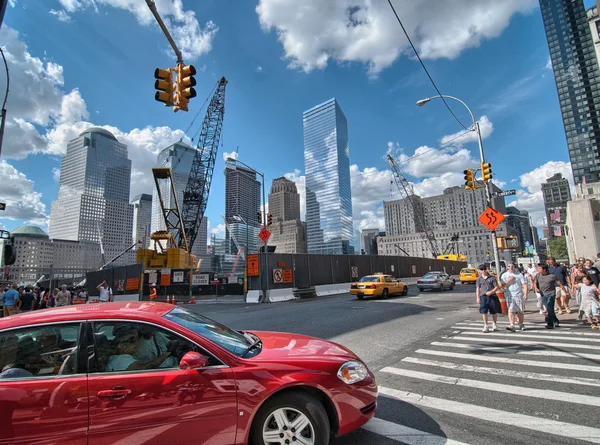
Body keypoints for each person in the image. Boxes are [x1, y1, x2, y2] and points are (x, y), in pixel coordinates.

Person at [106, 324, 171, 372]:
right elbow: (145, 367)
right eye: (132, 340)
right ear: (120, 345)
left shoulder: (121, 357)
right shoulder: (120, 359)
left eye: (137, 339)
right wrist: (165, 356)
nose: (137, 343)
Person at [535, 264, 569, 329]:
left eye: (539, 268)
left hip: (551, 294)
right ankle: (555, 321)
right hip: (543, 294)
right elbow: (535, 282)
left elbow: (560, 284)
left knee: (550, 308)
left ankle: (550, 324)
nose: (538, 270)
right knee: (549, 309)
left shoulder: (552, 276)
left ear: (544, 270)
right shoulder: (538, 275)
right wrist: (536, 287)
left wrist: (565, 292)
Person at [501, 263, 528, 331]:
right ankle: (512, 324)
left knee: (520, 310)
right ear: (507, 267)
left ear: (514, 267)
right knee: (511, 310)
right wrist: (509, 280)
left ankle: (521, 324)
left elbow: (524, 284)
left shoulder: (519, 274)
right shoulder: (504, 275)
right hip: (510, 295)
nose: (511, 267)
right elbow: (502, 286)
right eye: (509, 266)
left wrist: (525, 294)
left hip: (519, 294)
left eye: (512, 266)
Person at [476, 264, 501, 333]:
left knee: (494, 311)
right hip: (483, 296)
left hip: (492, 296)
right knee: (484, 311)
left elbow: (497, 287)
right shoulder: (479, 279)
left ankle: (494, 324)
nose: (483, 271)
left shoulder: (492, 278)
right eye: (481, 270)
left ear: (486, 269)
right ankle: (486, 325)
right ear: (480, 270)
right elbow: (478, 288)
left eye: (484, 269)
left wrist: (491, 292)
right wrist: (478, 297)